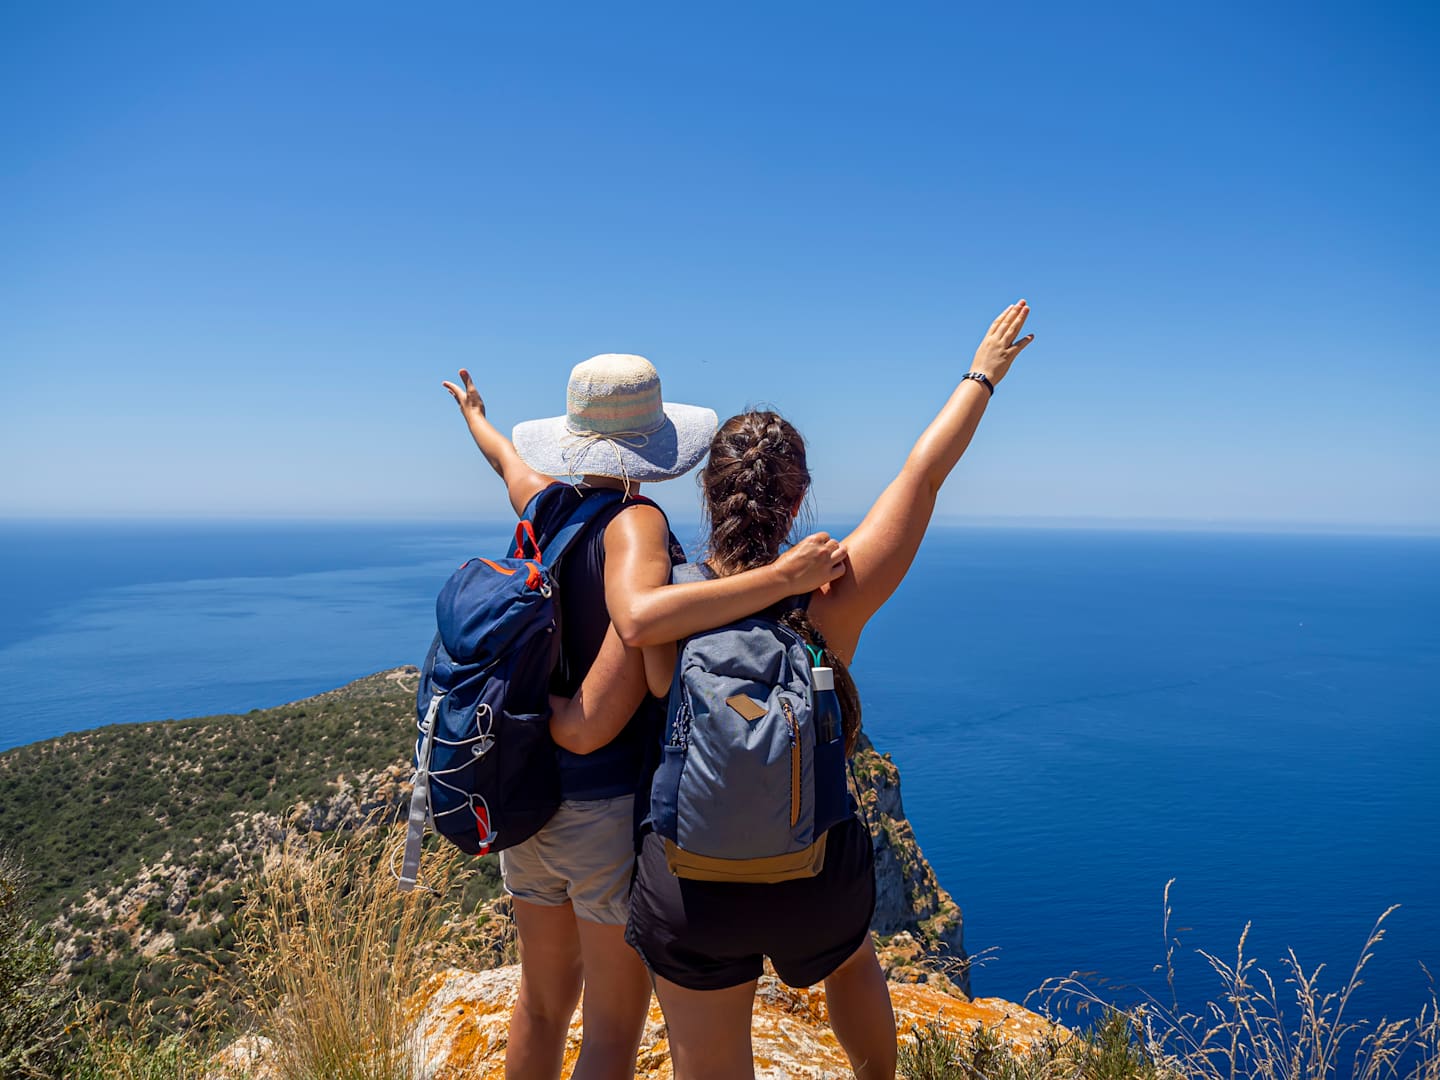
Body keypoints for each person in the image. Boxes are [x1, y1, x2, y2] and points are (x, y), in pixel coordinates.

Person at [587, 300, 1036, 1080]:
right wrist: (981, 377)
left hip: (691, 890)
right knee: (854, 958)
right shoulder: (830, 596)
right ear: (795, 500)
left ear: (710, 494)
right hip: (813, 880)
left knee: (711, 1062)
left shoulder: (669, 603)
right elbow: (921, 476)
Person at [442, 353, 848, 1080]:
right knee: (611, 1030)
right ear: (655, 446)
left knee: (539, 1006)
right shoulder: (637, 525)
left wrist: (478, 420)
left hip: (523, 800)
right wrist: (781, 579)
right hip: (594, 811)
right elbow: (628, 645)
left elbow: (507, 462)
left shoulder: (545, 502)